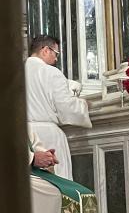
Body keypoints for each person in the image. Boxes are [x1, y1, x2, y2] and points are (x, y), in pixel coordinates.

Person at [25, 34, 90, 179]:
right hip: (48, 137)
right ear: (46, 50)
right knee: (58, 183)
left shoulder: (14, 75)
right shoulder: (50, 72)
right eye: (56, 53)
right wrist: (83, 105)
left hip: (23, 137)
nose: (56, 59)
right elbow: (65, 106)